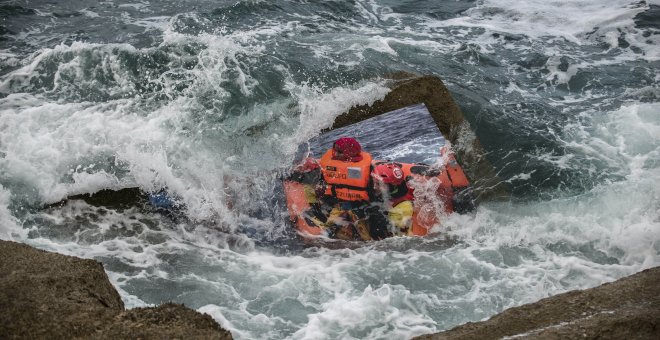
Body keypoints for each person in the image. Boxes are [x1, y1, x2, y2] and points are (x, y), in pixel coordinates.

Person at [317, 137, 376, 241]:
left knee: (366, 236)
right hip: (339, 206)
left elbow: (375, 194)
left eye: (339, 151)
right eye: (335, 151)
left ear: (349, 153)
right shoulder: (328, 167)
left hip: (361, 208)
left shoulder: (369, 170)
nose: (335, 154)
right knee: (329, 233)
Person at [370, 162, 415, 237]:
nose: (374, 187)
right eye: (374, 182)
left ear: (392, 187)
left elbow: (397, 239)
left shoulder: (401, 210)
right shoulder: (395, 191)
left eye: (378, 184)